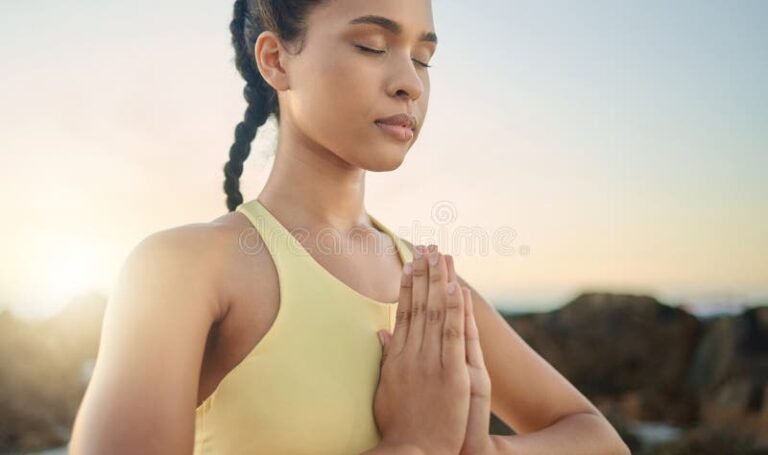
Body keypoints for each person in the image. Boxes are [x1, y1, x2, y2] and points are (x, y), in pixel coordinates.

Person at [69, 0, 630, 454]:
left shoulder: (433, 290)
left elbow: (597, 437)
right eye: (371, 45)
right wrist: (413, 445)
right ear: (276, 59)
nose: (410, 82)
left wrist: (480, 451)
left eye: (424, 57)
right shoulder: (188, 270)